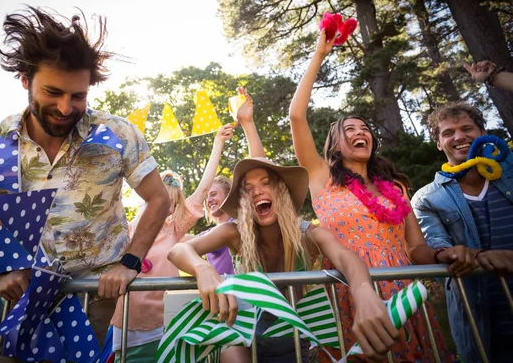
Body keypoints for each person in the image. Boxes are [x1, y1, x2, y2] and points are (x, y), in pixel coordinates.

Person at [0, 6, 170, 350]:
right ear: (25, 81)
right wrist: (6, 269)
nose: (64, 108)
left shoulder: (118, 132)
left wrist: (131, 263)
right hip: (25, 291)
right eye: (52, 93)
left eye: (78, 96)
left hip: (94, 292)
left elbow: (159, 198)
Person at [288, 29, 472, 362]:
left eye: (365, 129)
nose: (361, 133)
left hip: (404, 293)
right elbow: (297, 117)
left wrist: (443, 255)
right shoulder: (322, 177)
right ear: (334, 144)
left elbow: (415, 248)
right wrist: (319, 54)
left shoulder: (396, 189)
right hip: (349, 291)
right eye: (350, 129)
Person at [168, 157, 400, 362]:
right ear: (243, 202)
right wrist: (203, 269)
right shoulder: (234, 232)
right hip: (241, 335)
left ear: (282, 192)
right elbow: (178, 250)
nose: (258, 191)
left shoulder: (308, 235)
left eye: (266, 183)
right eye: (249, 188)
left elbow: (346, 256)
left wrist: (363, 291)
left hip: (291, 338)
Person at [107, 123, 234, 362]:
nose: (168, 207)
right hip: (127, 325)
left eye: (173, 203)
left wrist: (218, 143)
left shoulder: (173, 229)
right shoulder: (126, 229)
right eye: (163, 200)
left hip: (164, 324)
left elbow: (204, 187)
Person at [411, 101, 513, 363]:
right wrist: (476, 255)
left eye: (467, 128)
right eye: (448, 133)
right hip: (481, 321)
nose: (458, 136)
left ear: (482, 133)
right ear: (438, 143)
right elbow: (437, 247)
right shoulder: (426, 199)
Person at [200, 87, 266, 275]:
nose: (209, 200)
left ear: (229, 194)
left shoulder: (242, 222)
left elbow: (259, 167)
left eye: (213, 194)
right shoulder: (208, 235)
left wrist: (247, 123)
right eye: (207, 196)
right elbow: (178, 245)